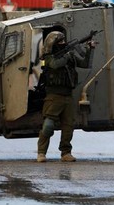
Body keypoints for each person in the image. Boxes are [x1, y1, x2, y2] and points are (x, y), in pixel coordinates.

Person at [36, 31, 94, 163]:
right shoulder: (49, 57)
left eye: (63, 41)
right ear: (53, 44)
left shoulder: (69, 56)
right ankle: (41, 152)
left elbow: (86, 64)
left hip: (68, 95)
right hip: (53, 96)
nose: (63, 44)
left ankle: (66, 152)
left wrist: (90, 49)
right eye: (60, 42)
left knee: (68, 127)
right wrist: (68, 55)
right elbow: (55, 65)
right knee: (48, 126)